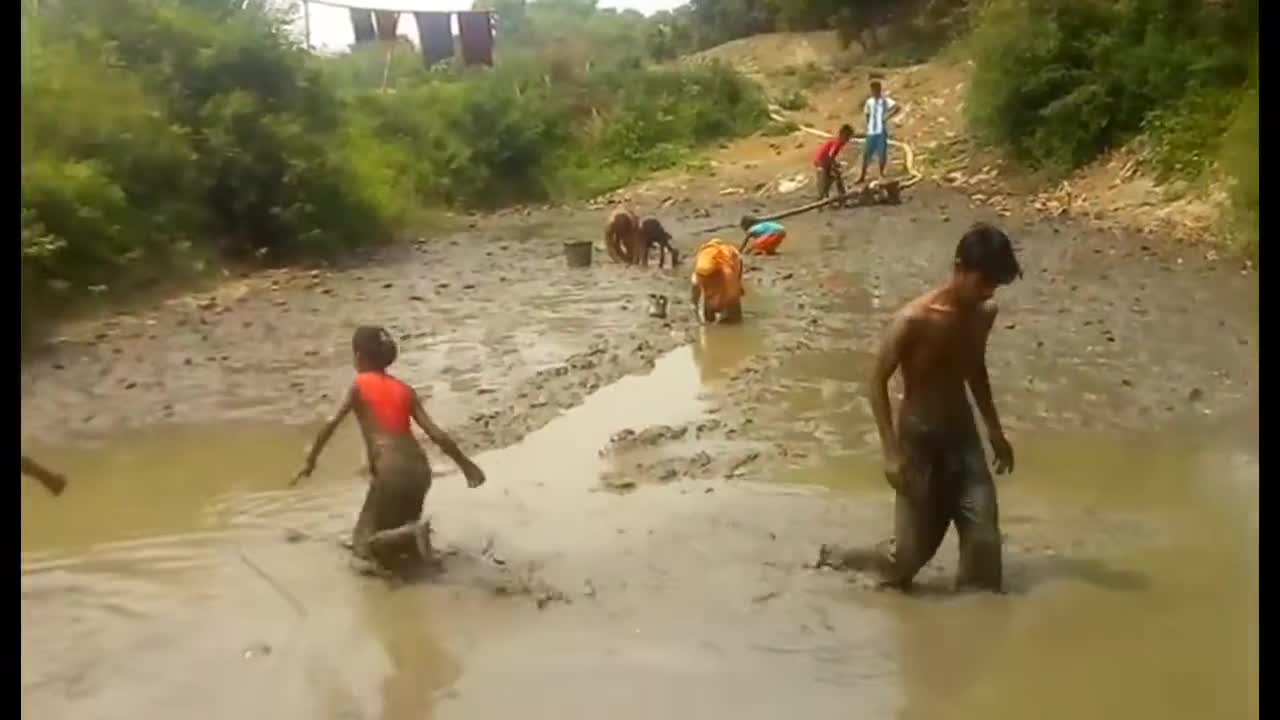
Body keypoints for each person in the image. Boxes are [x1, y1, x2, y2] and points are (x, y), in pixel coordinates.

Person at [868, 223, 1021, 593]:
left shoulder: (984, 312)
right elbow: (875, 384)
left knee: (984, 543)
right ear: (959, 269)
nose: (987, 293)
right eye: (983, 282)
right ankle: (844, 561)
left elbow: (974, 366)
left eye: (994, 286)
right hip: (919, 440)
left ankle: (977, 619)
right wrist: (891, 453)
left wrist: (994, 429)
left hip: (963, 436)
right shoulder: (913, 320)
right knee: (905, 560)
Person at [292, 326, 486, 574]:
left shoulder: (359, 386)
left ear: (359, 357)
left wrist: (310, 462)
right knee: (399, 552)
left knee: (361, 548)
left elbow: (330, 425)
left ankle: (413, 531)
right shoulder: (405, 390)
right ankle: (412, 538)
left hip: (391, 472)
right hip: (420, 472)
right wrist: (466, 465)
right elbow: (436, 433)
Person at [689, 238, 744, 324]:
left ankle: (711, 321)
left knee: (710, 305)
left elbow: (695, 288)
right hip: (727, 282)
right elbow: (733, 293)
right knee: (733, 317)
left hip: (713, 292)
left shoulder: (703, 263)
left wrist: (696, 313)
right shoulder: (730, 254)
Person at [857, 79, 899, 184]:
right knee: (866, 153)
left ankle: (881, 173)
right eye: (874, 89)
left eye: (877, 89)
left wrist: (887, 117)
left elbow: (897, 107)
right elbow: (867, 114)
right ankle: (862, 175)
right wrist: (868, 125)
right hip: (871, 131)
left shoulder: (884, 100)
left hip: (881, 130)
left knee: (882, 153)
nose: (876, 91)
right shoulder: (869, 102)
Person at [814, 124, 855, 209]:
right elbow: (830, 155)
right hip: (821, 162)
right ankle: (821, 203)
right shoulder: (837, 142)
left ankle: (838, 199)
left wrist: (835, 165)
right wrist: (835, 166)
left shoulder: (837, 142)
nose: (848, 140)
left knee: (833, 179)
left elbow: (831, 156)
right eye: (847, 137)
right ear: (843, 135)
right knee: (825, 183)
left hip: (824, 162)